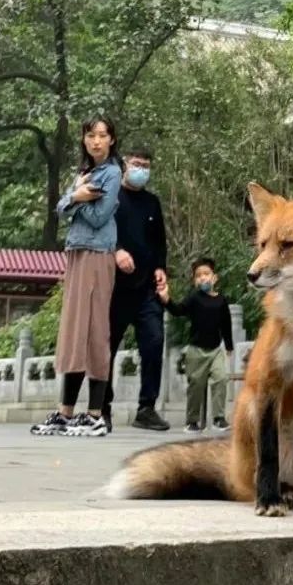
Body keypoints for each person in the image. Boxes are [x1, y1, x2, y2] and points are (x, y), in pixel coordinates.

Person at [31, 117, 121, 437]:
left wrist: (76, 200)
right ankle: (65, 411)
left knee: (95, 330)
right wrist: (76, 195)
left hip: (98, 254)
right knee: (73, 330)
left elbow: (99, 217)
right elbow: (59, 207)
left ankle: (95, 413)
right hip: (77, 253)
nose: (96, 141)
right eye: (90, 135)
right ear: (84, 140)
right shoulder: (84, 174)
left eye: (102, 135)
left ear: (111, 140)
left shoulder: (112, 173)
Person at [104, 148, 171, 432]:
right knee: (106, 346)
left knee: (154, 342)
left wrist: (160, 268)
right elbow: (100, 231)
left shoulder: (152, 203)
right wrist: (117, 251)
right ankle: (101, 406)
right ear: (124, 165)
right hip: (115, 287)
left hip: (146, 289)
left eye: (146, 165)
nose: (141, 169)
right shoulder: (111, 199)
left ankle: (147, 408)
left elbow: (159, 242)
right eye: (136, 164)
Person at [157, 256, 234, 434]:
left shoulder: (221, 301)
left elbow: (226, 324)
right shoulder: (194, 298)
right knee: (196, 386)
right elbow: (178, 310)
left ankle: (218, 418)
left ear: (215, 277)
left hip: (215, 350)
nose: (203, 278)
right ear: (194, 280)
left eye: (206, 274)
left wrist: (229, 346)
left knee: (221, 378)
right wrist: (166, 300)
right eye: (198, 276)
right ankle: (192, 421)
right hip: (196, 350)